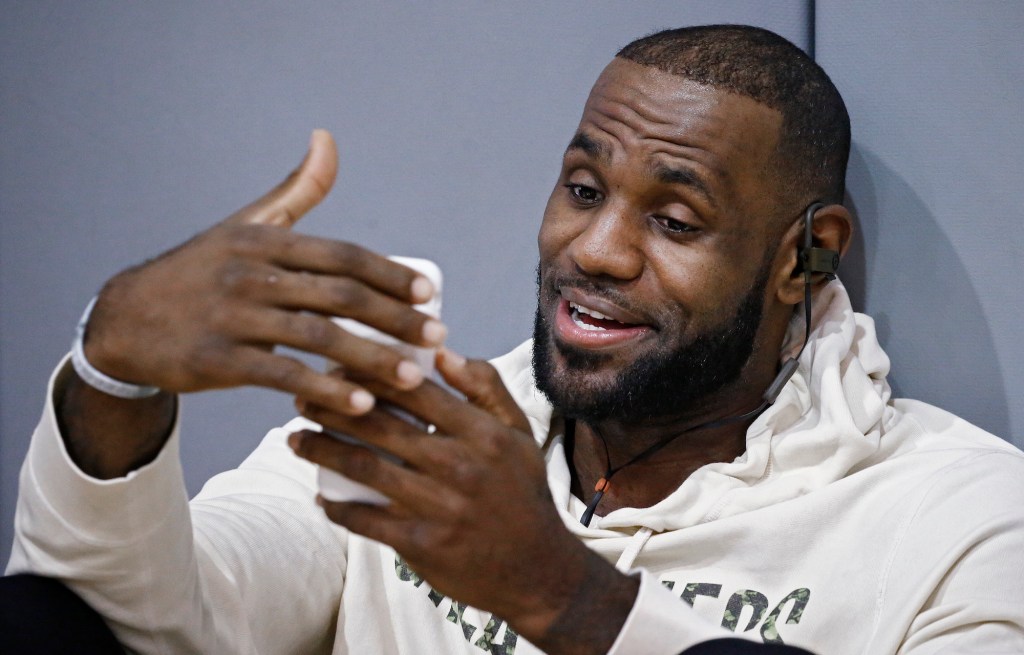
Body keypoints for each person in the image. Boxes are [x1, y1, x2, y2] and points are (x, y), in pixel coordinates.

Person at [7, 24, 1024, 655]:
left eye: (673, 220)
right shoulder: (425, 436)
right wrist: (114, 376)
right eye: (583, 190)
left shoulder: (963, 518)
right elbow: (140, 626)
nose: (595, 249)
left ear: (805, 259)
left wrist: (562, 593)